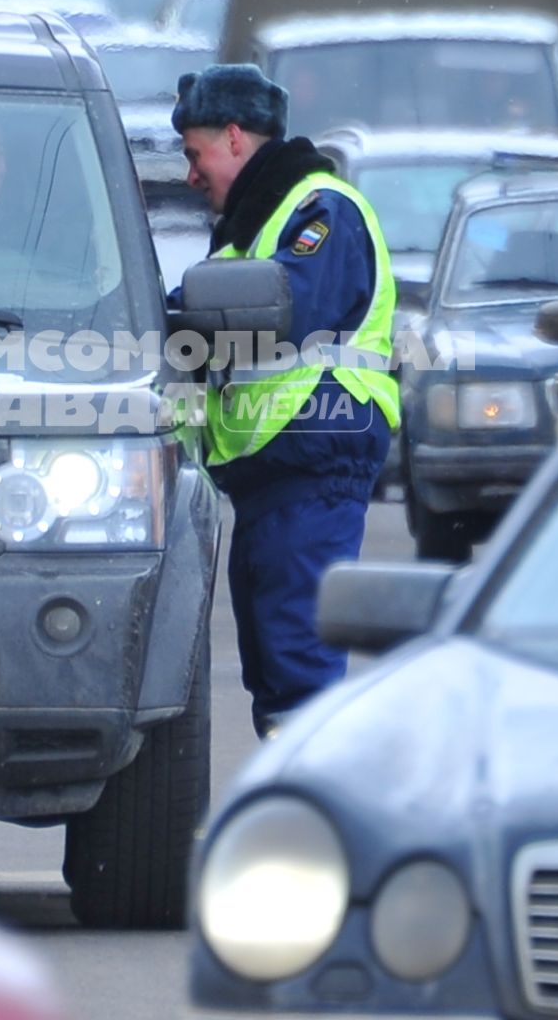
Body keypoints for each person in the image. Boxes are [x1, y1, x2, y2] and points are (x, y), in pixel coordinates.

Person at [171, 63, 401, 738]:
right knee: (274, 664)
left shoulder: (317, 210)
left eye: (196, 153)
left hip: (312, 465)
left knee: (298, 661)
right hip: (272, 476)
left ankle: (312, 810)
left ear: (236, 137)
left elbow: (286, 308)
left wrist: (184, 322)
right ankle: (291, 797)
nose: (190, 175)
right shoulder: (256, 225)